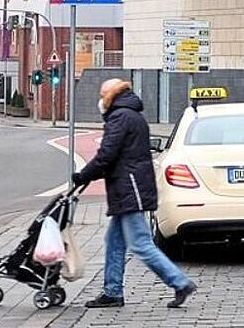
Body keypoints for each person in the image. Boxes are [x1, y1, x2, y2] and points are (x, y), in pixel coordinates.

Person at [72, 78, 197, 309]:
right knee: (114, 242)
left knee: (140, 244)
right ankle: (112, 292)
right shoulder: (131, 115)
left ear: (111, 95)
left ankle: (179, 282)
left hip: (130, 189)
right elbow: (117, 156)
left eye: (102, 95)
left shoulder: (120, 117)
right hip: (128, 189)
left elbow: (107, 155)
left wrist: (83, 175)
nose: (100, 100)